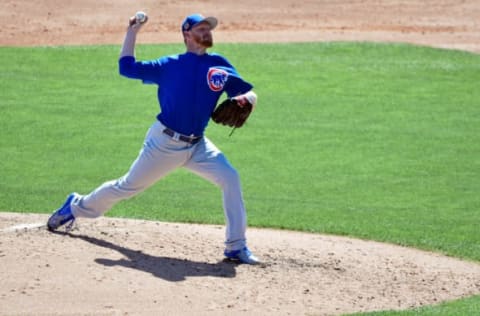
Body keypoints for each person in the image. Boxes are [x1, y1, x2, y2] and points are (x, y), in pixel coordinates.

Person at [47, 13, 260, 265]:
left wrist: (248, 100)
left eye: (208, 28)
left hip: (198, 145)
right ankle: (75, 206)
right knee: (125, 187)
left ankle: (236, 247)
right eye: (201, 28)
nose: (207, 32)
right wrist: (132, 33)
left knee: (230, 178)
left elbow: (247, 91)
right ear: (187, 34)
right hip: (164, 144)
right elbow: (126, 67)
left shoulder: (219, 65)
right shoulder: (169, 65)